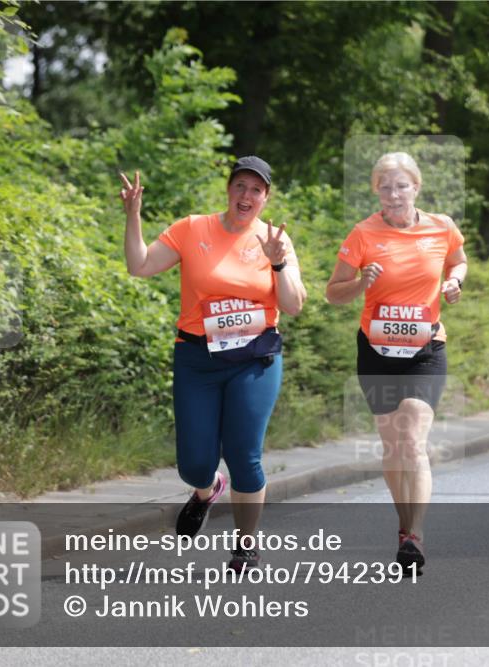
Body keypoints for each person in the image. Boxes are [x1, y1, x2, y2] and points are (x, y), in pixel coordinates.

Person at [119, 156, 306, 572]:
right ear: (229, 189)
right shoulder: (192, 228)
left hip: (255, 358)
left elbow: (292, 305)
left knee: (245, 455)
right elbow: (140, 266)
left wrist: (278, 263)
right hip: (197, 357)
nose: (247, 195)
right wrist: (133, 216)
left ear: (266, 197)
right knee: (195, 463)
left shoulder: (275, 240)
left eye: (256, 189)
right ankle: (206, 491)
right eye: (240, 185)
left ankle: (246, 546)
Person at [325, 152, 468, 575]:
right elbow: (333, 292)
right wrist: (359, 283)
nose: (393, 194)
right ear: (376, 191)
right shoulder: (363, 234)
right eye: (385, 186)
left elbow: (458, 259)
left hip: (425, 349)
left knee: (412, 438)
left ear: (416, 187)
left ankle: (416, 536)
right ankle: (403, 527)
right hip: (376, 351)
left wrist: (455, 280)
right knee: (392, 447)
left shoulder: (441, 227)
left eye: (401, 185)